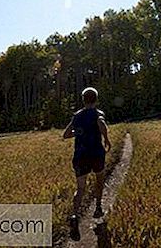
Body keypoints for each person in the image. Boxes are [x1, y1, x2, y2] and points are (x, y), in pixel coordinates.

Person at [62, 87, 111, 240]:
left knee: (81, 188)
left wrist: (79, 131)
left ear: (83, 100)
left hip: (80, 155)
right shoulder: (98, 113)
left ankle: (75, 215)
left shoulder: (77, 116)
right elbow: (101, 123)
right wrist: (106, 139)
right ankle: (97, 207)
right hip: (96, 153)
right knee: (99, 180)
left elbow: (66, 134)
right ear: (96, 100)